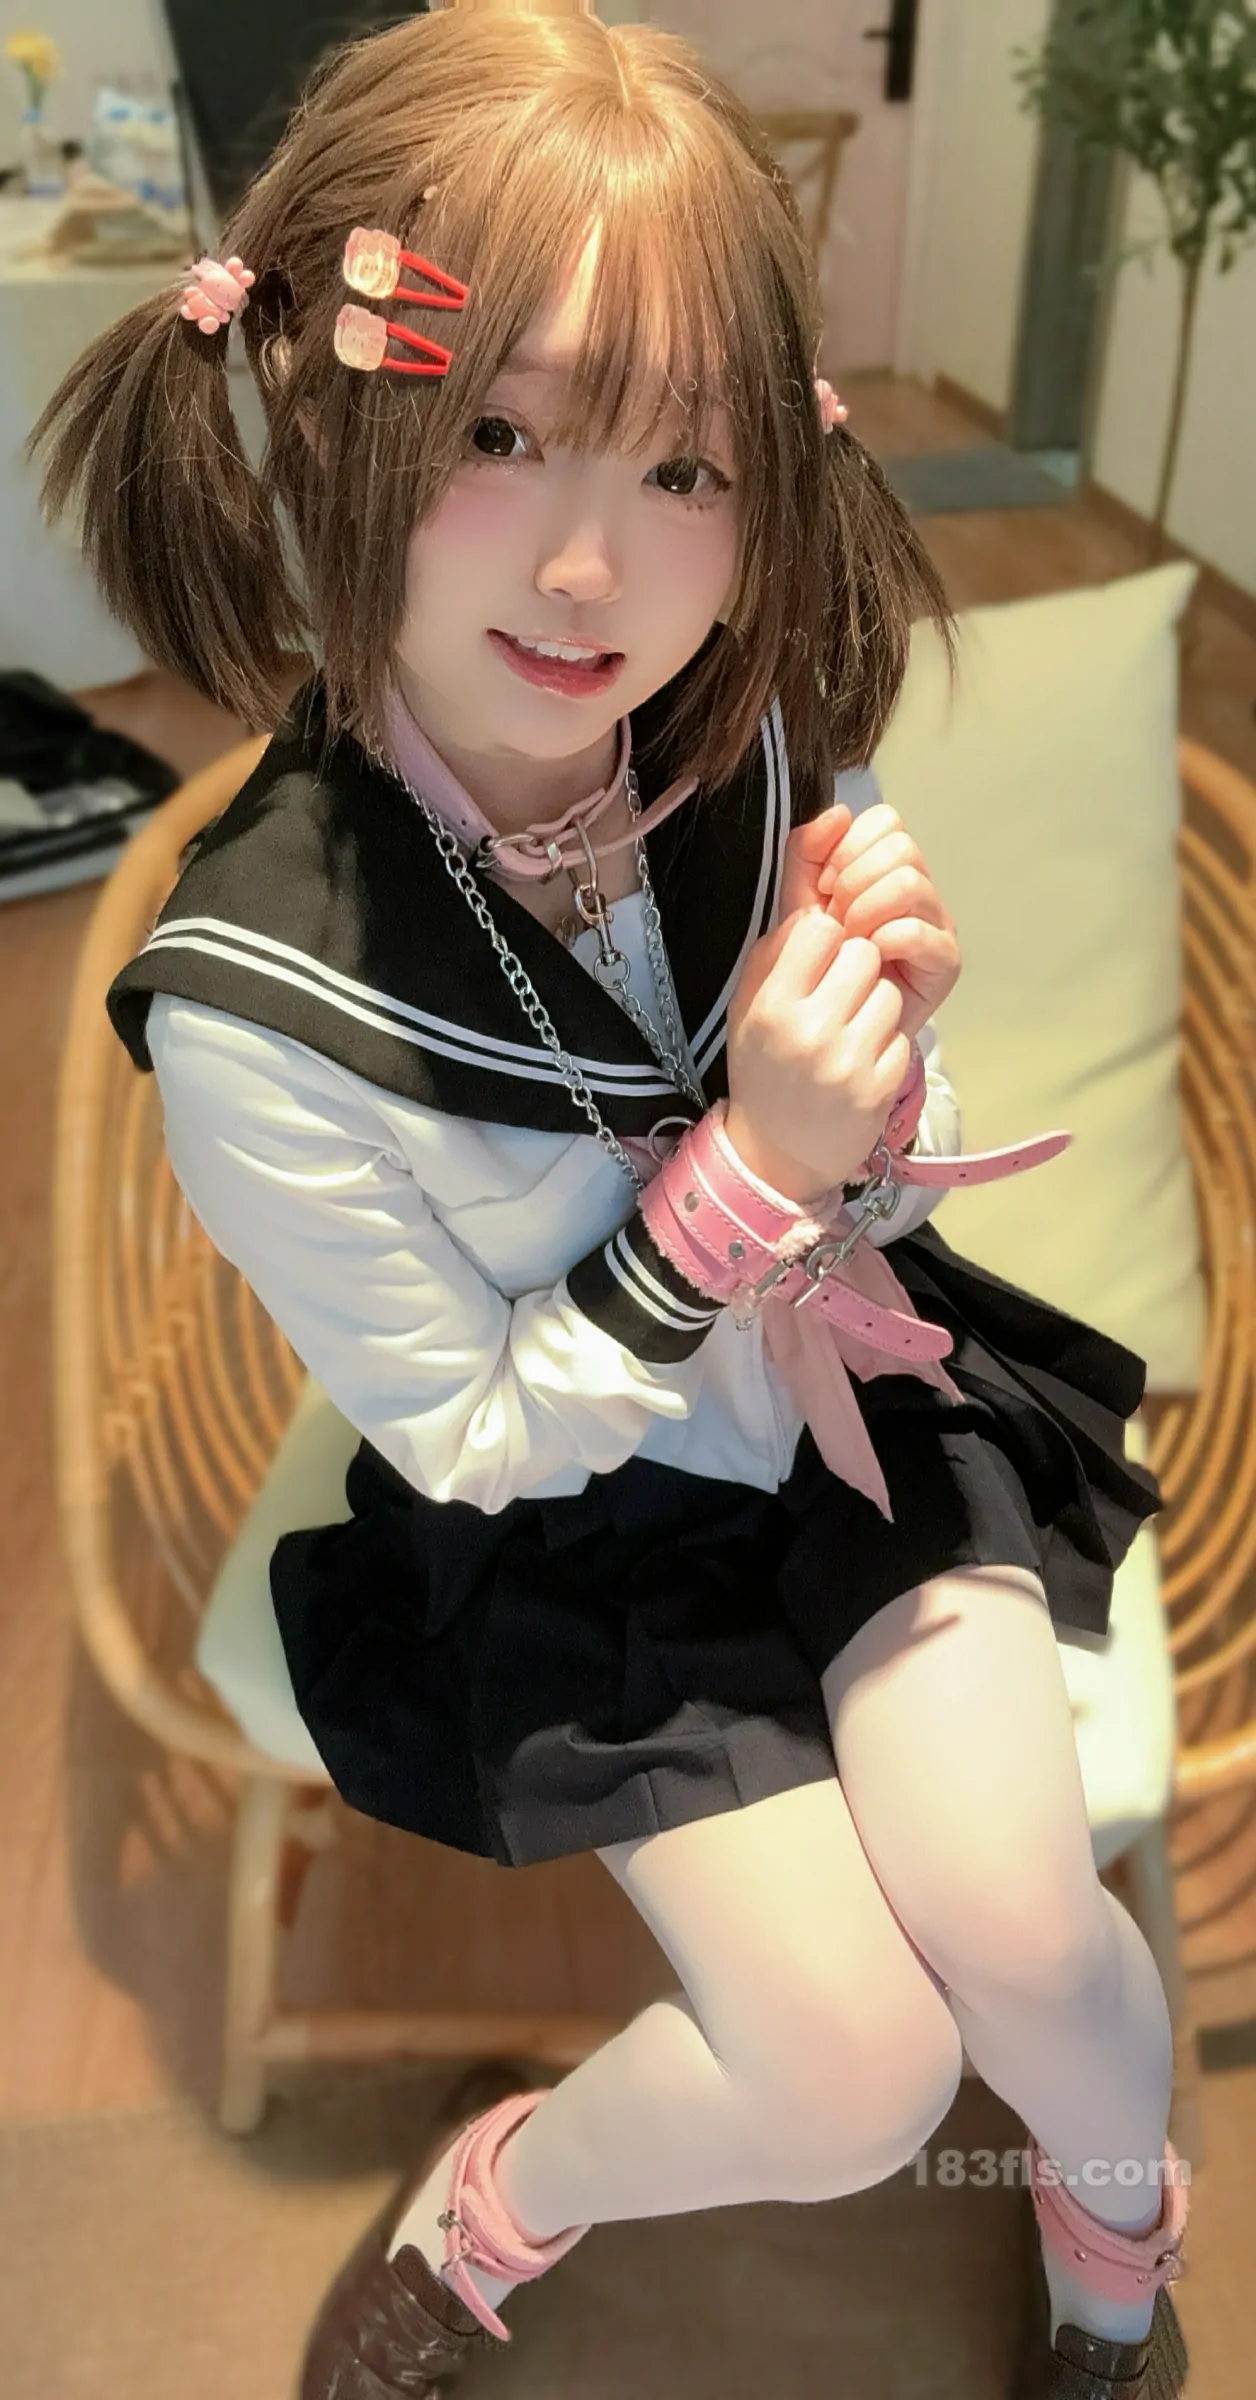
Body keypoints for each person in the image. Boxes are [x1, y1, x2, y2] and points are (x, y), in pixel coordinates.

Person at [33, 7, 1189, 2396]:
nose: (594, 569)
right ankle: (494, 2204)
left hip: (859, 1411)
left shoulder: (752, 727)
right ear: (328, 413)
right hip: (581, 1527)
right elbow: (468, 1431)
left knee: (1031, 1934)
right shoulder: (259, 1000)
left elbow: (883, 1163)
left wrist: (883, 1068)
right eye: (496, 432)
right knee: (850, 2075)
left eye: (685, 464)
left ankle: (1115, 2262)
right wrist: (742, 1177)